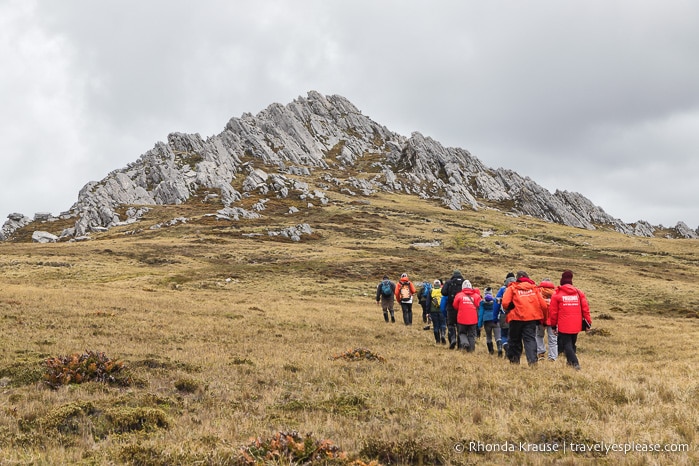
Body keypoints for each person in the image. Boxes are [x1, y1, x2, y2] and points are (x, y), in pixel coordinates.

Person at [501, 271, 548, 366]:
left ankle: (514, 362)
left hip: (515, 318)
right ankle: (533, 362)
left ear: (517, 278)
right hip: (531, 319)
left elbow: (505, 303)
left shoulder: (512, 287)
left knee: (514, 340)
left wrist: (509, 307)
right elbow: (544, 305)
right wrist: (544, 319)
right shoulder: (534, 288)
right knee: (530, 340)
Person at [549, 270, 592, 370]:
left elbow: (553, 312)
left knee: (567, 345)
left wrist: (553, 325)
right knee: (572, 344)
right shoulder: (578, 292)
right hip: (576, 324)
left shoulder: (557, 294)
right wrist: (588, 323)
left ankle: (574, 363)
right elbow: (585, 309)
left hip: (564, 324)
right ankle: (570, 363)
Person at [453, 280, 481, 352]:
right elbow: (479, 305)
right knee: (471, 335)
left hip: (462, 319)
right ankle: (471, 350)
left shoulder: (459, 295)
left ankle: (465, 343)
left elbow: (455, 306)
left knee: (462, 333)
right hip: (473, 319)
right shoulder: (476, 296)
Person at [441, 270, 465, 349]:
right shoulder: (464, 282)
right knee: (460, 325)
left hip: (451, 306)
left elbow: (443, 292)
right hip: (461, 307)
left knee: (451, 324)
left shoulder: (449, 282)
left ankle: (453, 339)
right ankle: (460, 345)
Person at [495, 273, 515, 357]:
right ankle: (510, 351)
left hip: (503, 315)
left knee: (503, 334)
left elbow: (496, 304)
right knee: (512, 335)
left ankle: (506, 346)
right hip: (515, 316)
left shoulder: (502, 289)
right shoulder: (517, 288)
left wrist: (494, 316)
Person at [536, 278, 557, 361]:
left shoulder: (538, 292)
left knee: (539, 336)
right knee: (553, 339)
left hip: (541, 319)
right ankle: (552, 357)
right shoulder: (555, 293)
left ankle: (541, 352)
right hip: (553, 320)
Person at [478, 287, 501, 355]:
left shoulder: (482, 303)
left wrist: (480, 324)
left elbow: (481, 314)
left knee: (488, 336)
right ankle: (499, 348)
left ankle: (491, 352)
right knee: (498, 336)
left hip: (486, 321)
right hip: (495, 320)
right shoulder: (495, 301)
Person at [429, 279, 446, 344]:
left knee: (435, 325)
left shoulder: (431, 291)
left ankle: (437, 341)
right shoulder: (443, 291)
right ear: (440, 284)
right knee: (443, 324)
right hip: (442, 310)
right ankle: (443, 334)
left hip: (433, 311)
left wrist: (428, 311)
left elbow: (428, 302)